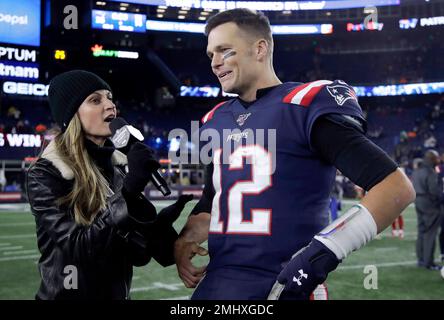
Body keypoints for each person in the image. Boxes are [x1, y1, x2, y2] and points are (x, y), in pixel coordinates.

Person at [174, 9, 415, 300]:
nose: (214, 63)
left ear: (259, 48)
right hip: (215, 285)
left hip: (282, 285)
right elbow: (215, 197)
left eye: (224, 51)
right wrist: (185, 238)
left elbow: (395, 188)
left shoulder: (303, 104)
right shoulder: (215, 118)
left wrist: (319, 256)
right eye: (211, 53)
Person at [26, 70, 192, 299]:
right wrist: (129, 193)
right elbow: (78, 248)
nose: (110, 106)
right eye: (95, 100)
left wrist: (158, 228)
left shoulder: (116, 166)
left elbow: (136, 256)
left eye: (109, 97)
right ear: (72, 114)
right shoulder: (46, 173)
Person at [412, 150, 443, 270]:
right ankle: (428, 262)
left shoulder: (417, 171)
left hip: (418, 202)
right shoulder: (430, 172)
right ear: (432, 159)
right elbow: (434, 191)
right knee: (430, 233)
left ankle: (421, 260)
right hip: (429, 203)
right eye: (436, 158)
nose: (438, 160)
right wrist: (440, 200)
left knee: (421, 232)